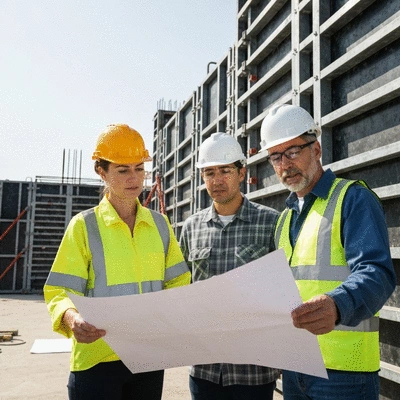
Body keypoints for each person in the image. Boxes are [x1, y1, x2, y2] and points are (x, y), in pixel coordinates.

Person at [44, 124, 191, 400]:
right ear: (102, 172)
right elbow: (60, 290)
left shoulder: (159, 224)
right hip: (96, 359)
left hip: (147, 356)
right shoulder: (83, 226)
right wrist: (71, 317)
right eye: (123, 170)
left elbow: (179, 281)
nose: (134, 178)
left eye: (139, 168)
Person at [259, 104, 396, 399]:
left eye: (293, 152)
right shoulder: (284, 219)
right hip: (296, 369)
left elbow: (378, 273)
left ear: (317, 149)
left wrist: (337, 305)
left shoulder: (353, 199)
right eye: (276, 157)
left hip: (345, 376)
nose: (285, 165)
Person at [179, 132, 280, 400]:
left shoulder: (270, 223)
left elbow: (284, 292)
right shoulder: (191, 228)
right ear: (202, 177)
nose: (217, 180)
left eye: (225, 170)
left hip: (253, 368)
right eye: (209, 172)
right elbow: (182, 291)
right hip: (205, 368)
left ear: (242, 172)